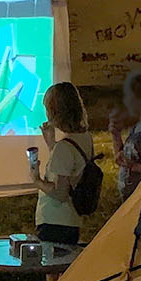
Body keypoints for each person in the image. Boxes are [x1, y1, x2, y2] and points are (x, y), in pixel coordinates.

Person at [31, 82, 94, 247]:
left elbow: (60, 192)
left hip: (54, 221)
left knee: (51, 268)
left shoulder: (64, 147)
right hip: (72, 219)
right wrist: (51, 144)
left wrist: (36, 180)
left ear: (54, 112)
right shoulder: (85, 138)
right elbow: (71, 169)